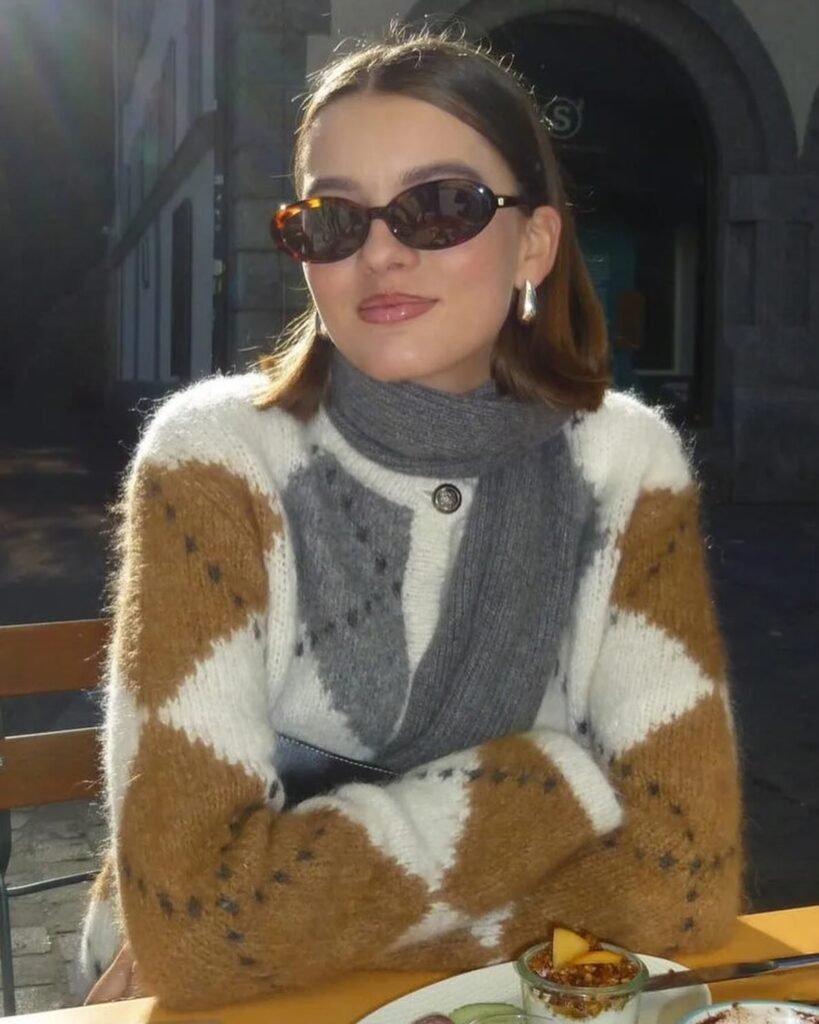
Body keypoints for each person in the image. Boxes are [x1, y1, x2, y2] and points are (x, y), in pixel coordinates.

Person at [80, 25, 742, 1011]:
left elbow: (688, 879)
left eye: (438, 205)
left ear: (535, 242)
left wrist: (300, 909)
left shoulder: (629, 466)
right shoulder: (214, 460)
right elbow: (198, 931)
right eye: (334, 219)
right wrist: (555, 781)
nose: (381, 252)